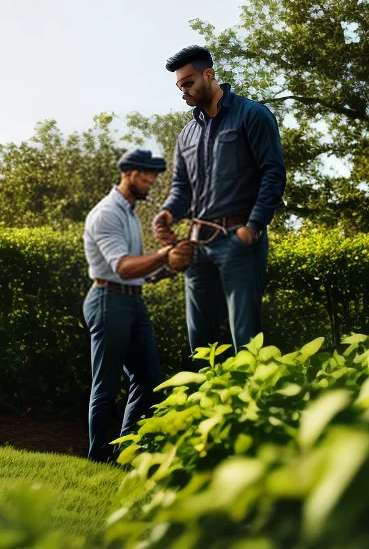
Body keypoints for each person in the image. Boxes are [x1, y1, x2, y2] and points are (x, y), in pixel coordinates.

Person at [152, 45, 286, 354]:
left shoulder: (252, 114)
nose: (183, 91)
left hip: (239, 241)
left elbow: (273, 173)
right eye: (179, 86)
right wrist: (167, 214)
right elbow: (181, 188)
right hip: (197, 247)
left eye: (187, 83)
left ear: (208, 75)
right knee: (201, 345)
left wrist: (253, 227)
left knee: (246, 341)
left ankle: (254, 401)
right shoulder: (186, 134)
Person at [82, 148, 193, 463]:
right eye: (146, 175)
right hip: (107, 299)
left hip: (133, 301)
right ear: (127, 172)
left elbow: (140, 269)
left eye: (154, 175)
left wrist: (169, 263)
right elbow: (124, 267)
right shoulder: (107, 213)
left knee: (148, 380)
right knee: (106, 384)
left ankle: (124, 452)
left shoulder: (129, 212)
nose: (151, 181)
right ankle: (98, 457)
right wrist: (163, 254)